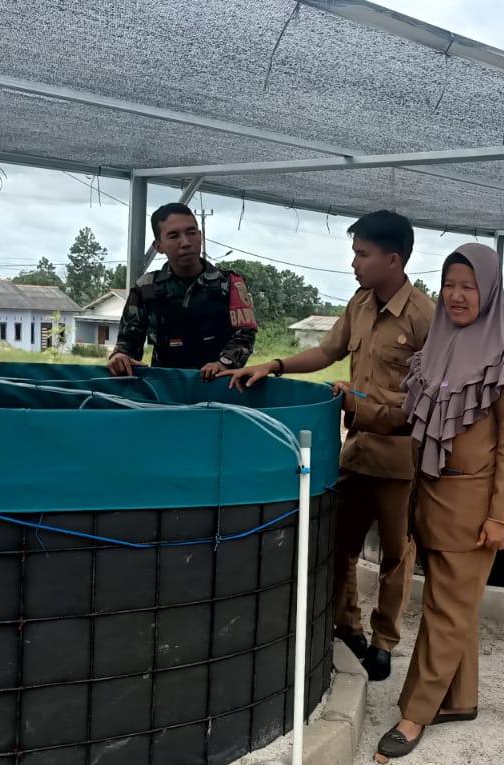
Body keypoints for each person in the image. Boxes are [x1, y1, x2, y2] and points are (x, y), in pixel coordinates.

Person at [221, 211, 434, 681]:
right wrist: (273, 366)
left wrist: (362, 400)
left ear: (393, 259)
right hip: (356, 449)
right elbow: (327, 352)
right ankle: (349, 626)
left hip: (401, 456)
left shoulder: (425, 316)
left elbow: (432, 393)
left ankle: (384, 641)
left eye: (362, 254)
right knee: (341, 545)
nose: (353, 263)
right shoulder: (359, 304)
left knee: (398, 554)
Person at [376, 242, 504, 760]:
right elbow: (410, 416)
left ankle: (415, 713)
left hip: (473, 510)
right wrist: (356, 407)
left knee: (445, 612)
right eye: (449, 285)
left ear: (489, 290)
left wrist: (500, 516)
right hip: (429, 498)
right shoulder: (436, 352)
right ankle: (458, 700)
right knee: (454, 607)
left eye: (469, 286)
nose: (457, 296)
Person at [106, 202, 258, 380]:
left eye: (191, 233)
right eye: (173, 236)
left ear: (200, 236)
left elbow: (244, 335)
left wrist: (223, 363)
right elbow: (128, 341)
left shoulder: (229, 284)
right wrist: (119, 357)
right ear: (158, 246)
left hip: (218, 386)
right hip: (165, 389)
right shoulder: (146, 288)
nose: (185, 242)